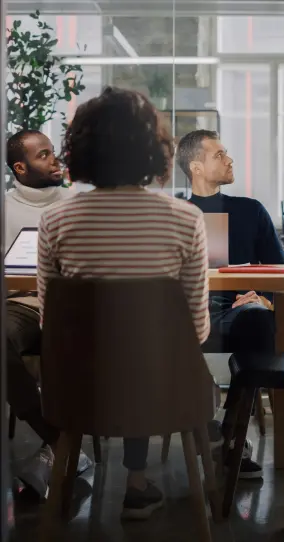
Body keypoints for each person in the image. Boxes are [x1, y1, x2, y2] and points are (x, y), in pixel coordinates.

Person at [37, 87, 210, 520]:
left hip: (80, 391)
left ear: (80, 149)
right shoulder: (185, 218)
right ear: (154, 149)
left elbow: (50, 322)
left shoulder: (55, 220)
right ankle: (137, 483)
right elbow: (197, 330)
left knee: (117, 352)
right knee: (146, 352)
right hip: (165, 390)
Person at [177, 130, 284, 479]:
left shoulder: (249, 210)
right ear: (196, 166)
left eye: (228, 153)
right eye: (220, 154)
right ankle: (209, 424)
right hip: (184, 314)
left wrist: (263, 295)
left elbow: (280, 268)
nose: (230, 160)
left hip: (237, 311)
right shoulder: (176, 213)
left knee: (258, 319)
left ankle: (230, 435)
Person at [5, 130, 93, 499]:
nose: (55, 161)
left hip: (68, 306)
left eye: (53, 152)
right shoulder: (4, 207)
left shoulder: (75, 202)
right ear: (20, 167)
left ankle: (60, 445)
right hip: (20, 305)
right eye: (44, 155)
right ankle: (56, 438)